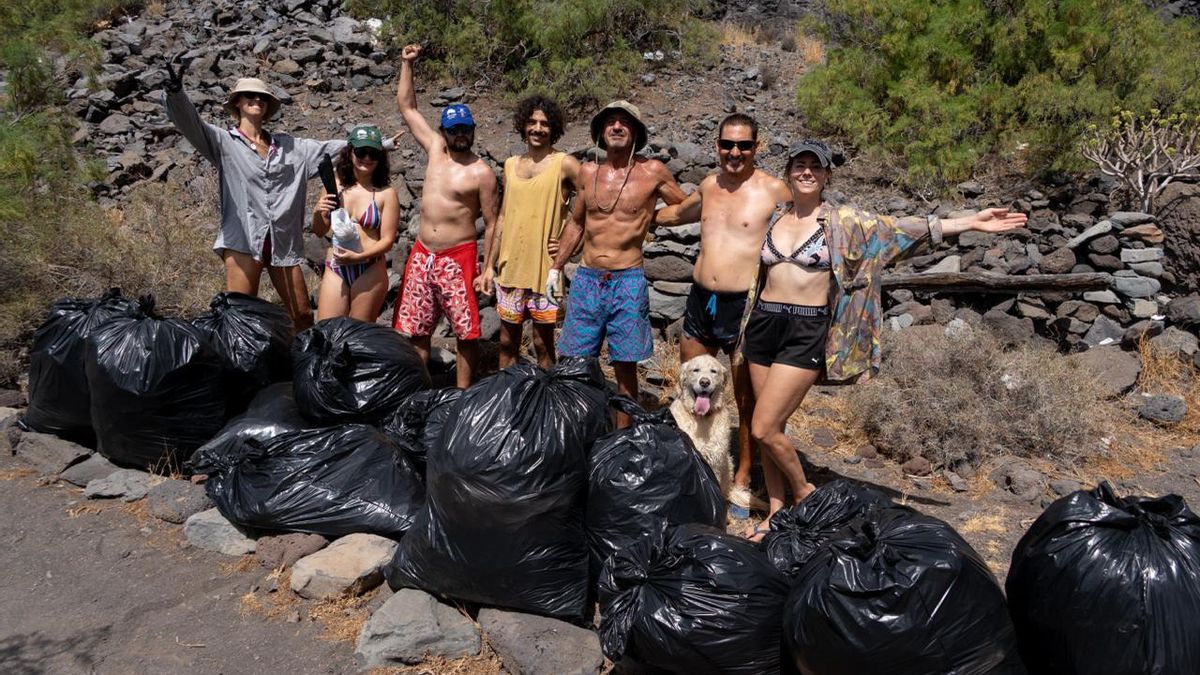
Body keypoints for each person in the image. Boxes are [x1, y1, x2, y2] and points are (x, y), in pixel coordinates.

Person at [741, 139, 1028, 539]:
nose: (806, 172)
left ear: (826, 176)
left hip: (806, 329)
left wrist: (970, 222)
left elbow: (903, 230)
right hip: (764, 325)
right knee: (769, 425)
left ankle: (805, 494)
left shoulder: (846, 223)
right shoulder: (775, 218)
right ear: (788, 172)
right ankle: (775, 511)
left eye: (815, 167)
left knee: (763, 429)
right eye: (799, 165)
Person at [162, 61, 395, 332]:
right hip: (243, 242)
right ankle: (245, 373)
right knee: (240, 317)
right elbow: (192, 126)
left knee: (304, 316)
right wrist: (176, 95)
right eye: (250, 95)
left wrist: (381, 144)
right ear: (237, 103)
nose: (257, 100)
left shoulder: (291, 148)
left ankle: (300, 368)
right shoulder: (223, 143)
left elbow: (332, 148)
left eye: (262, 97)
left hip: (282, 245)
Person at [655, 113, 790, 515]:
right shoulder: (710, 186)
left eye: (743, 145)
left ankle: (742, 476)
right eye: (727, 144)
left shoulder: (773, 189)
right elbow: (677, 214)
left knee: (745, 397)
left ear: (756, 147)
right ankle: (693, 467)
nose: (734, 152)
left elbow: (810, 215)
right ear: (717, 145)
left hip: (744, 306)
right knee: (693, 389)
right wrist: (637, 214)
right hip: (701, 300)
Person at [547, 101, 686, 427]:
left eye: (625, 122)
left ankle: (622, 438)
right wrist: (556, 267)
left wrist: (656, 218)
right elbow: (577, 223)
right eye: (611, 122)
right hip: (586, 279)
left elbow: (684, 206)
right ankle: (577, 428)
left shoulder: (652, 172)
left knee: (625, 364)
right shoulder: (588, 172)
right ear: (601, 131)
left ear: (635, 132)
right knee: (576, 360)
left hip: (627, 280)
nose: (617, 127)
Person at [391, 44, 499, 389]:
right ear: (444, 132)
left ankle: (463, 394)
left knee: (465, 332)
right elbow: (407, 107)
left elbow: (493, 222)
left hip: (458, 256)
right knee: (415, 329)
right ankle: (421, 390)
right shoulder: (436, 150)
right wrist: (407, 64)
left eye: (465, 129)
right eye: (453, 130)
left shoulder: (482, 172)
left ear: (473, 130)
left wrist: (490, 267)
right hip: (423, 254)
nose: (460, 135)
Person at [477, 95, 581, 369]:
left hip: (545, 270)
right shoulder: (511, 165)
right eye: (532, 122)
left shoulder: (565, 164)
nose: (538, 128)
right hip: (511, 267)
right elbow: (501, 217)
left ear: (553, 128)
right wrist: (489, 266)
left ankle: (545, 402)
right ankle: (509, 400)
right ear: (523, 125)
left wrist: (572, 245)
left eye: (544, 124)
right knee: (508, 342)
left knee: (542, 343)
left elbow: (591, 205)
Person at [311, 125, 401, 322]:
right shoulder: (334, 186)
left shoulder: (386, 193)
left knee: (357, 335)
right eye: (361, 152)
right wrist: (318, 212)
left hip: (369, 267)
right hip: (337, 266)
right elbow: (319, 231)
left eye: (373, 153)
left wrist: (358, 256)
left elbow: (387, 241)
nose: (367, 158)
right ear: (350, 152)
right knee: (327, 329)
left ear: (380, 157)